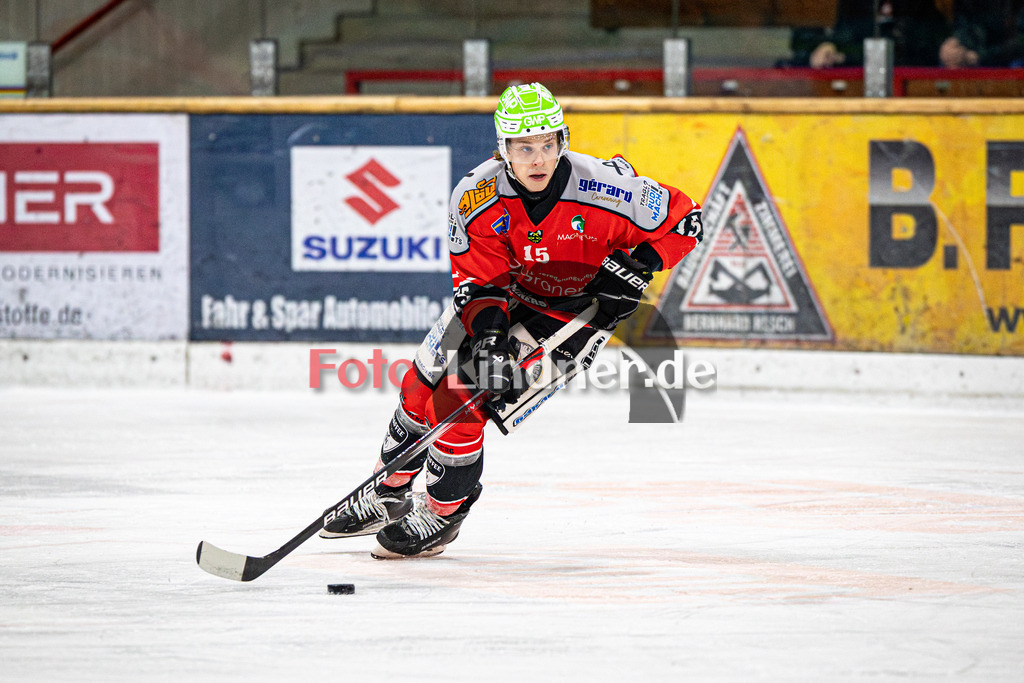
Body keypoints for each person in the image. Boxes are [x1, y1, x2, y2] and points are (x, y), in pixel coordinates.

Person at [319, 83, 704, 559]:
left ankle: (442, 515)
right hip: (505, 297)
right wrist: (489, 338)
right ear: (502, 150)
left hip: (570, 316)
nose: (538, 159)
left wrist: (639, 264)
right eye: (524, 148)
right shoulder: (477, 197)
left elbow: (687, 221)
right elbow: (478, 282)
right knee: (418, 388)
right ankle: (387, 492)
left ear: (563, 141)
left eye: (548, 145)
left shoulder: (608, 188)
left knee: (458, 399)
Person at [789, 0, 949, 68]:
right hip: (855, 86)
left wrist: (847, 56)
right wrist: (830, 47)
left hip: (908, 87)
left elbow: (908, 50)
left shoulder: (916, 4)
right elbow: (845, 35)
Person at [939, 0, 1024, 67]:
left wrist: (978, 57)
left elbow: (1021, 42)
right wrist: (955, 43)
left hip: (1006, 57)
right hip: (977, 53)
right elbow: (967, 24)